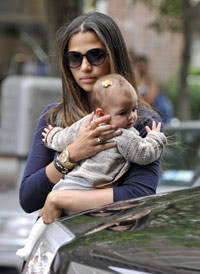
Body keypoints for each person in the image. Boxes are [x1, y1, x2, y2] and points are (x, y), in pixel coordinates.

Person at [19, 11, 165, 231]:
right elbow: (28, 198)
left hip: (104, 247)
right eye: (75, 58)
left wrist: (58, 199)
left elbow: (138, 195)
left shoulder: (141, 121)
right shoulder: (54, 117)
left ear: (114, 55)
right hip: (54, 248)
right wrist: (73, 154)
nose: (85, 66)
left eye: (95, 55)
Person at [16, 74, 167, 260]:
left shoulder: (88, 122)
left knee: (49, 223)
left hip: (69, 185)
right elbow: (144, 153)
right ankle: (31, 247)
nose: (131, 117)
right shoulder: (124, 135)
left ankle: (30, 246)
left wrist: (51, 137)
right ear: (101, 113)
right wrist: (155, 138)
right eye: (123, 113)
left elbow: (64, 137)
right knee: (59, 223)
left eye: (134, 110)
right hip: (88, 188)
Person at [134, 54, 173, 124]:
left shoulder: (151, 80)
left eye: (142, 65)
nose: (140, 68)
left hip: (148, 111)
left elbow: (151, 97)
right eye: (138, 66)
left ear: (147, 66)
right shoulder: (135, 80)